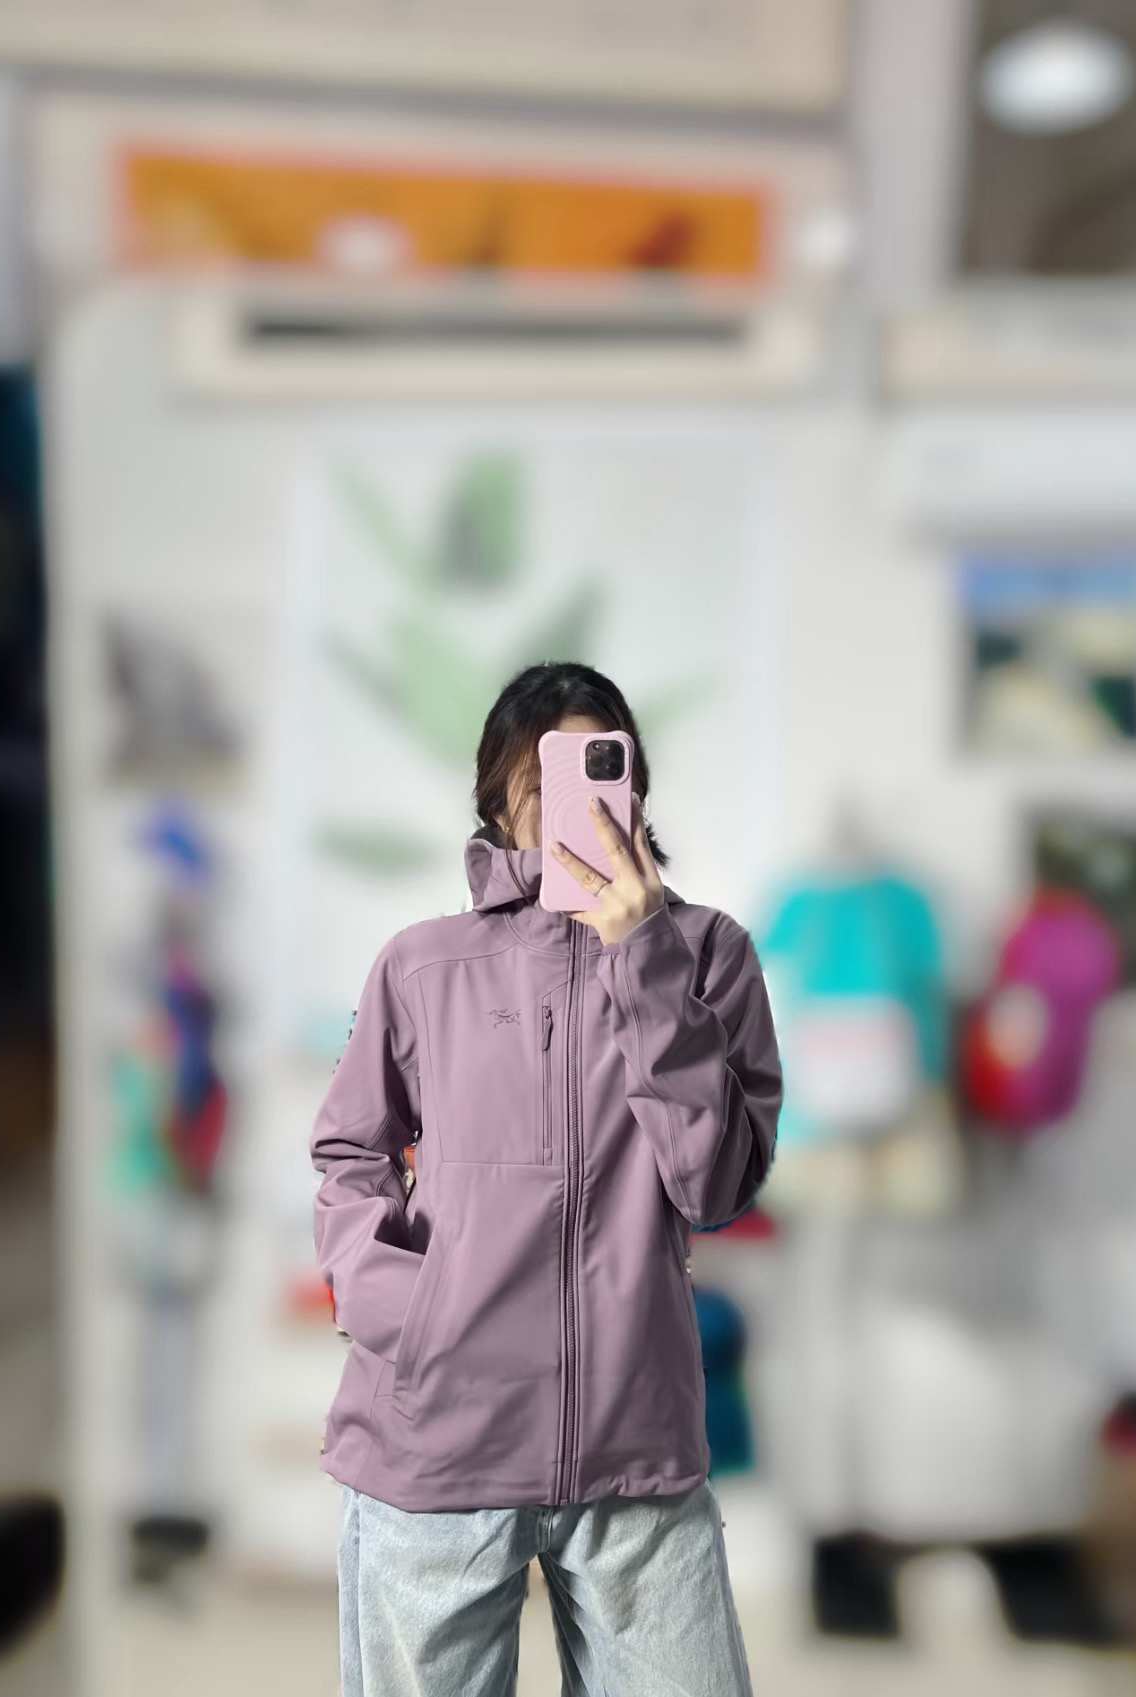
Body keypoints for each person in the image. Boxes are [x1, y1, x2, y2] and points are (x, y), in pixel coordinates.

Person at [310, 660, 784, 1697]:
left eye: (600, 771)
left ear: (635, 785)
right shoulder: (421, 965)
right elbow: (350, 1154)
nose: (581, 805)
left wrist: (642, 956)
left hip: (634, 1450)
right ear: (498, 801)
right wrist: (407, 1312)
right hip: (438, 1443)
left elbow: (714, 1186)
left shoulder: (708, 957)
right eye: (545, 779)